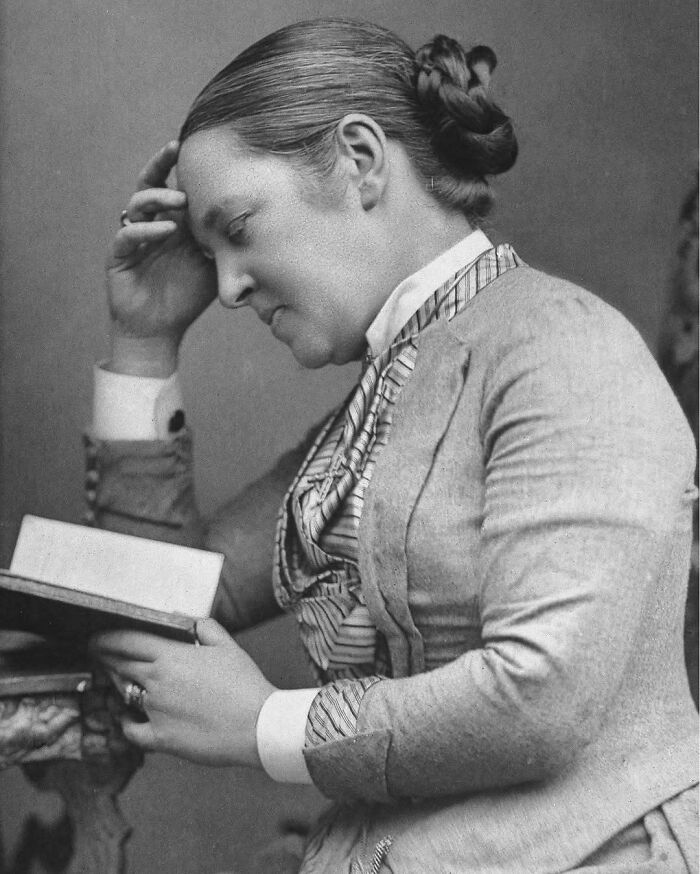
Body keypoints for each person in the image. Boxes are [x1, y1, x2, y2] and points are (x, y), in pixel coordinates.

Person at [87, 18, 698, 873]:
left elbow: (542, 695)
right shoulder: (373, 408)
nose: (225, 288)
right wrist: (144, 343)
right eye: (210, 253)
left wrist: (265, 724)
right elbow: (164, 611)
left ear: (362, 160)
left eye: (239, 228)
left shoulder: (564, 349)